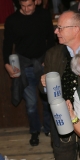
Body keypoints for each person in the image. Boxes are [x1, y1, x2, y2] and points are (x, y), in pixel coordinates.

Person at [40, 10, 80, 160]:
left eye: (60, 28)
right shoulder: (52, 54)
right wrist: (45, 85)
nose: (56, 31)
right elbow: (43, 91)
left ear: (76, 29)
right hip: (61, 121)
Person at [2, 0, 55, 146]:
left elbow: (51, 39)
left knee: (47, 100)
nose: (26, 9)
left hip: (43, 64)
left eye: (29, 6)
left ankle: (49, 129)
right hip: (25, 66)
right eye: (23, 6)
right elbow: (7, 44)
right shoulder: (12, 20)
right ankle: (34, 131)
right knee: (31, 104)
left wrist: (48, 60)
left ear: (35, 3)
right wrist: (7, 64)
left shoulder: (43, 15)